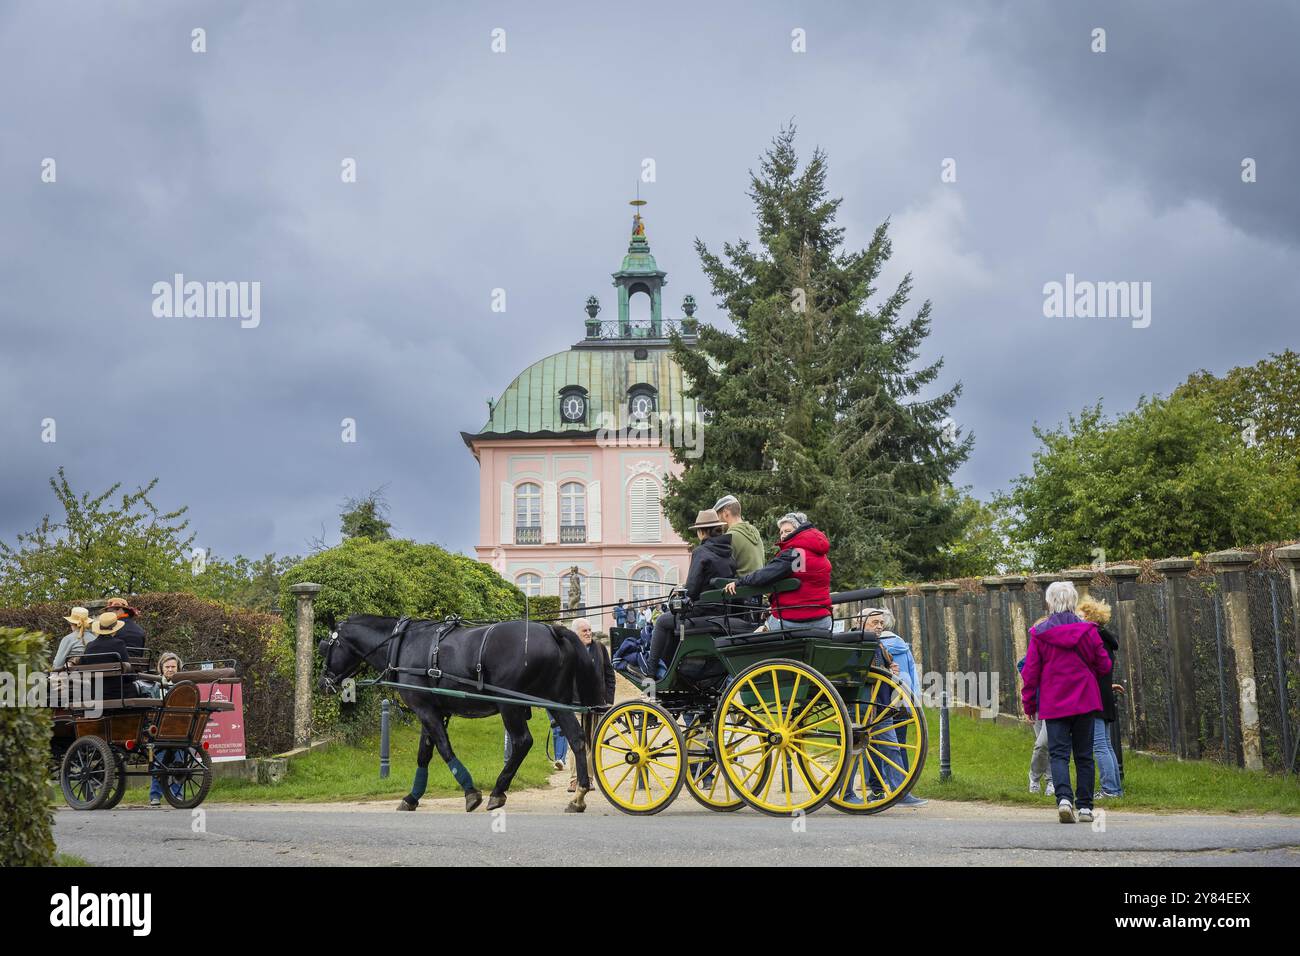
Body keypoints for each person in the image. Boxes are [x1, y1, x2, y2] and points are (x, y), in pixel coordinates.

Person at [1020, 581, 1112, 824]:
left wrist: (1029, 704)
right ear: (1073, 602)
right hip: (1084, 700)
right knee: (1084, 755)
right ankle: (1085, 807)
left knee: (1058, 754)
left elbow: (1030, 673)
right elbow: (1105, 665)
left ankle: (1063, 800)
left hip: (1054, 702)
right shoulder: (1089, 631)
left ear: (1050, 602)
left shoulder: (1039, 634)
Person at [645, 509, 737, 678]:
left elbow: (692, 590)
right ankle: (672, 669)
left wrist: (682, 591)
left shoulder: (701, 552)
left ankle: (651, 673)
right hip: (722, 611)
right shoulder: (728, 553)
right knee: (671, 621)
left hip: (704, 611)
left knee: (662, 621)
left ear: (702, 531)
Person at [723, 512, 832, 632]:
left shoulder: (795, 553)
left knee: (750, 638)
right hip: (823, 619)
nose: (783, 536)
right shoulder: (820, 554)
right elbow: (803, 588)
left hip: (794, 619)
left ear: (799, 530)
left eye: (788, 531)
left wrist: (740, 582)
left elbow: (765, 576)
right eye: (781, 532)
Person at [1076, 596, 1124, 798]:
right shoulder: (1106, 638)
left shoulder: (1092, 637)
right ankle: (1115, 789)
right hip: (1104, 693)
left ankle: (1110, 789)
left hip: (1094, 695)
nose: (1076, 618)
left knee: (1099, 745)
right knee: (1105, 743)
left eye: (1080, 615)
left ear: (1089, 616)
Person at [568, 617, 616, 792]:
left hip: (596, 704)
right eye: (584, 631)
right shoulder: (569, 650)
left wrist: (609, 700)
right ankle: (574, 780)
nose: (588, 633)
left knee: (592, 742)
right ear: (576, 634)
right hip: (576, 704)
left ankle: (588, 779)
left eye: (589, 630)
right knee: (575, 743)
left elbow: (610, 675)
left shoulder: (600, 648)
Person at [1020, 616, 1054, 799]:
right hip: (1038, 706)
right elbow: (1027, 680)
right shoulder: (1031, 658)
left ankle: (1041, 778)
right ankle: (1043, 780)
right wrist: (1028, 708)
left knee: (1044, 744)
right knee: (1042, 746)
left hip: (1054, 706)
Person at [149, 651, 185, 806]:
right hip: (161, 730)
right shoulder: (156, 687)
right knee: (159, 761)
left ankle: (177, 794)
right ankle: (155, 795)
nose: (170, 669)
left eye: (173, 667)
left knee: (180, 760)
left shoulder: (183, 686)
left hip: (179, 730)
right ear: (161, 668)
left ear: (178, 668)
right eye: (167, 667)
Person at [82, 611, 131, 702]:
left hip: (94, 693)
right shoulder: (119, 644)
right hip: (117, 693)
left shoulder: (89, 646)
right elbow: (127, 673)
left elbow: (83, 666)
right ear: (115, 629)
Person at [713, 494, 765, 576]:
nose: (718, 522)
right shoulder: (755, 531)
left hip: (741, 587)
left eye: (718, 516)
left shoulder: (729, 537)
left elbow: (723, 572)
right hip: (760, 585)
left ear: (726, 513)